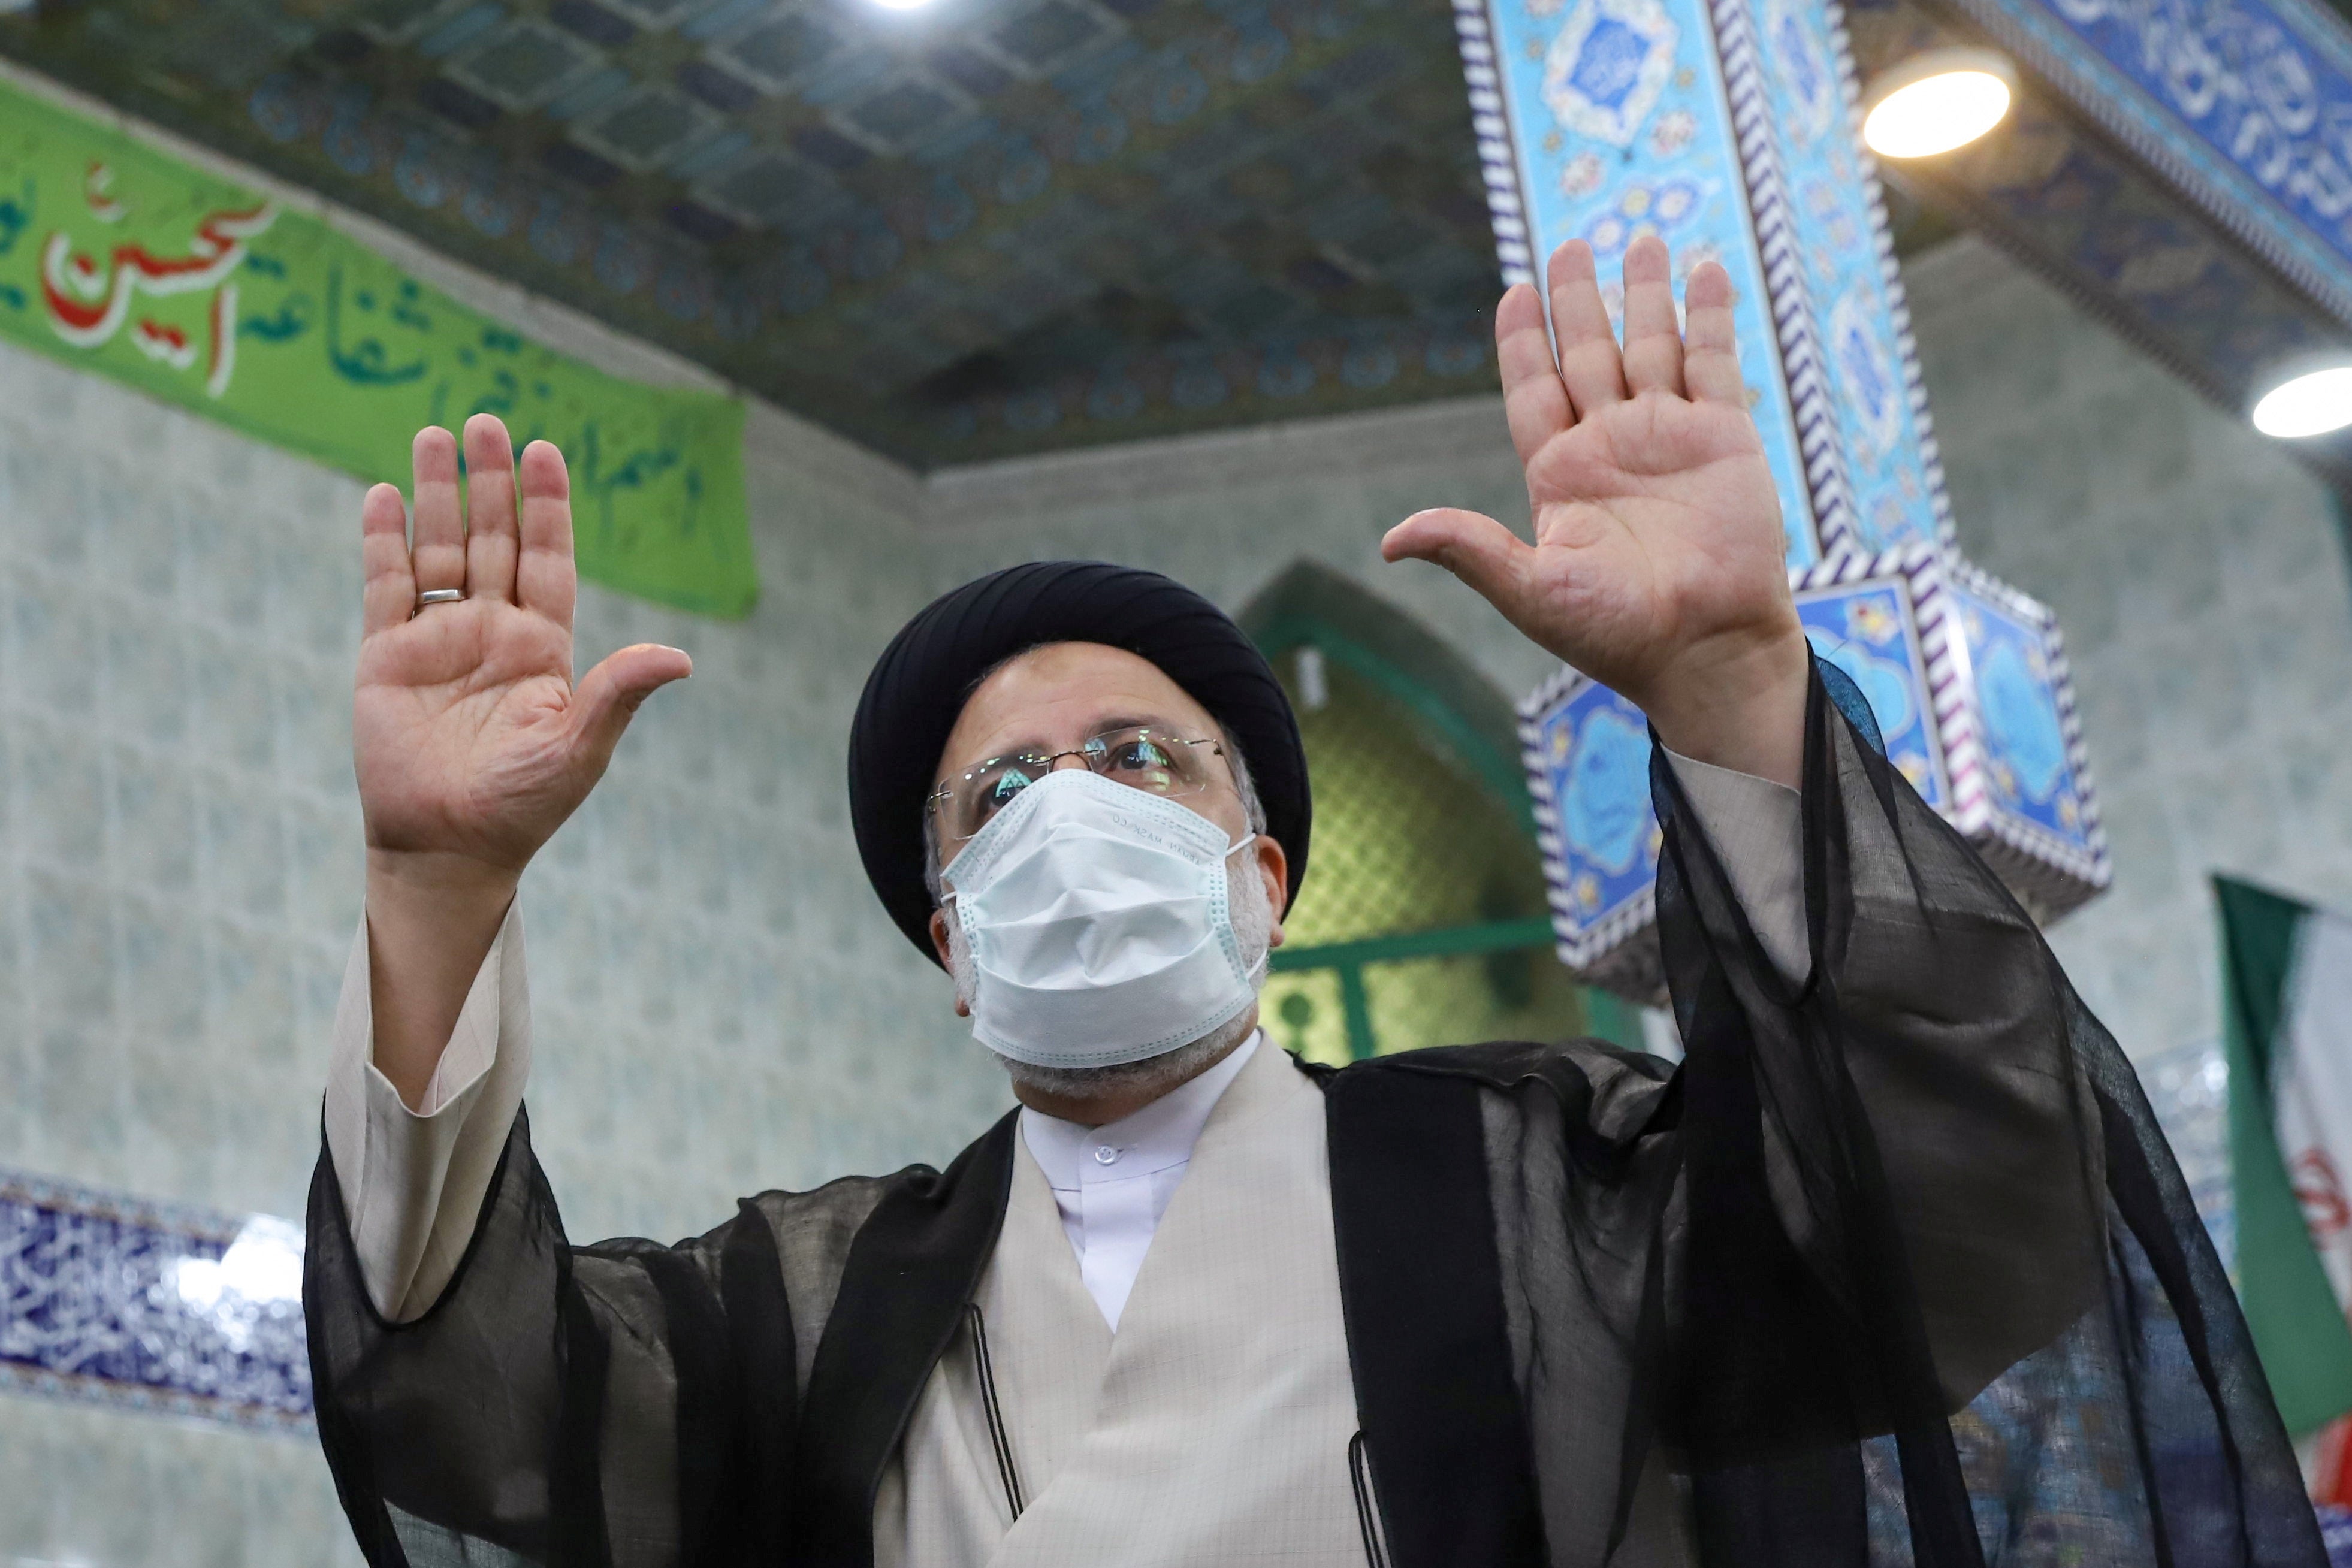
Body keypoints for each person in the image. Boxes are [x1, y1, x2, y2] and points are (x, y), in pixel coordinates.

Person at [303, 237, 2322, 1567]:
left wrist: (1725, 681)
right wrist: (435, 884)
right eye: (993, 800)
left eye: (1135, 759)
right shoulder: (801, 1304)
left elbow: (1940, 1210)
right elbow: (473, 1407)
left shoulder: (1554, 1183)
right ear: (949, 943)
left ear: (1259, 873)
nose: (1066, 818)